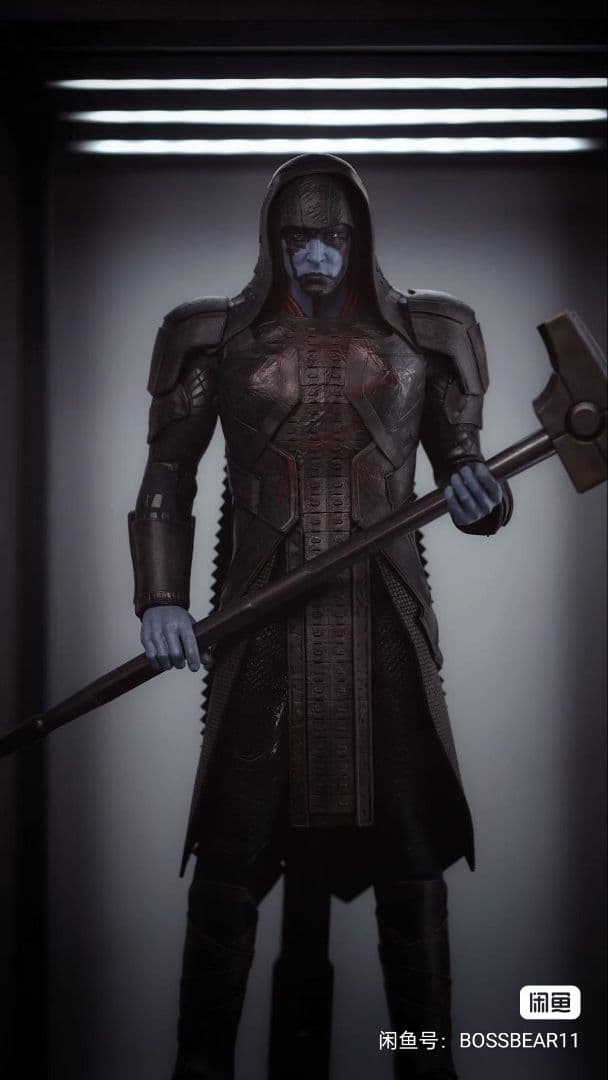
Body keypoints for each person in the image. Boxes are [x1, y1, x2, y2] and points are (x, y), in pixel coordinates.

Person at [129, 153, 512, 1080]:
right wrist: (162, 600)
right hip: (260, 620)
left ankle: (428, 1064)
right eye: (297, 237)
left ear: (359, 239)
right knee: (230, 862)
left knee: (412, 859)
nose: (314, 257)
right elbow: (168, 477)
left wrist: (483, 496)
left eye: (332, 237)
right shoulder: (213, 340)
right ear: (274, 239)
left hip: (383, 615)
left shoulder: (427, 335)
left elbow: (468, 470)